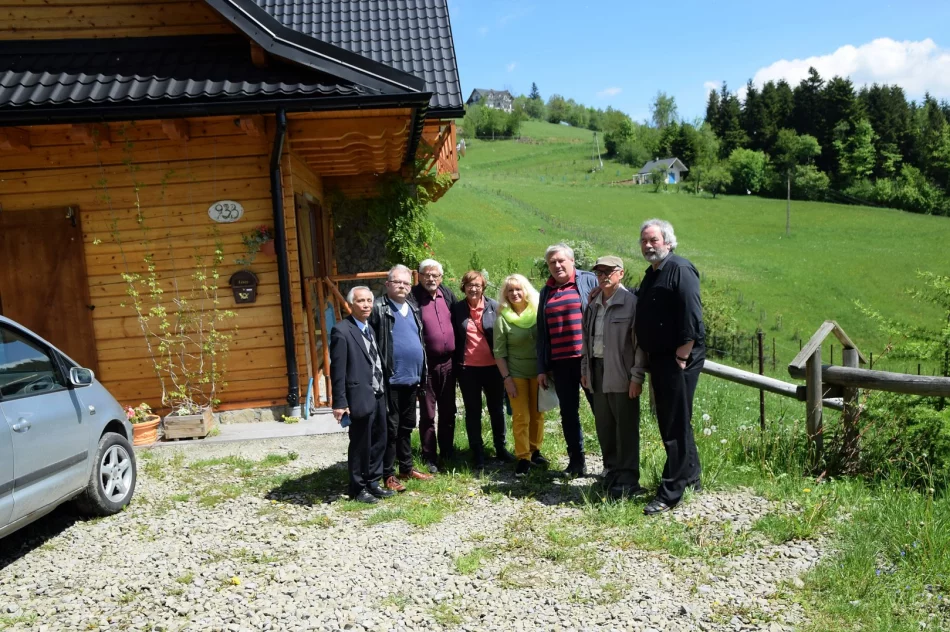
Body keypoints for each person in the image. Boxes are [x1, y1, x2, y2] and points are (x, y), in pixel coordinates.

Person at [635, 219, 705, 515]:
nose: (648, 245)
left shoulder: (680, 269)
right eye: (644, 241)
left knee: (673, 424)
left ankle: (670, 492)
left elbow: (692, 314)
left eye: (653, 240)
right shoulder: (652, 274)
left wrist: (682, 355)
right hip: (661, 357)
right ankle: (691, 476)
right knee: (672, 419)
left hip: (679, 357)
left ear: (668, 242)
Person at [579, 256, 647, 498]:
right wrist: (585, 371)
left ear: (621, 273)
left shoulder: (632, 303)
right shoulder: (592, 304)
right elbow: (586, 342)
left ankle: (628, 479)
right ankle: (611, 471)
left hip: (621, 371)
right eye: (599, 272)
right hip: (596, 371)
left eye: (609, 271)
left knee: (625, 427)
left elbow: (640, 345)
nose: (604, 276)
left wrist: (636, 377)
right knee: (604, 425)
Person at [536, 243, 598, 477]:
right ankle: (576, 462)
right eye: (552, 262)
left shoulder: (588, 281)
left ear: (572, 262)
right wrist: (542, 367)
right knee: (568, 413)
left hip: (588, 360)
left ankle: (612, 464)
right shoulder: (546, 292)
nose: (557, 265)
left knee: (599, 410)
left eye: (561, 260)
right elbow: (542, 333)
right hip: (560, 364)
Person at [369, 265, 432, 490]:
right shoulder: (378, 308)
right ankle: (388, 474)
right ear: (388, 284)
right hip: (390, 381)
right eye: (398, 282)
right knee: (391, 429)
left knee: (407, 426)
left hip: (412, 379)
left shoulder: (413, 309)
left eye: (406, 283)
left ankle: (406, 468)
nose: (402, 286)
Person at [330, 286, 394, 504]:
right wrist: (340, 402)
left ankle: (373, 481)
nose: (366, 305)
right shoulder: (342, 331)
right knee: (360, 443)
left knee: (379, 439)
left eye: (369, 300)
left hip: (378, 393)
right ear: (351, 304)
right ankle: (358, 488)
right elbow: (337, 370)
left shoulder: (370, 328)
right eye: (361, 301)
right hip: (359, 396)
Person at [451, 270, 515, 470]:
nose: (474, 289)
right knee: (472, 411)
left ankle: (500, 448)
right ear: (464, 287)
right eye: (470, 285)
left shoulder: (494, 307)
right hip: (467, 369)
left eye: (477, 285)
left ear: (483, 287)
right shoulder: (457, 309)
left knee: (496, 409)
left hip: (493, 369)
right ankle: (477, 451)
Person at [494, 274, 548, 478]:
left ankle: (535, 451)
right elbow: (499, 352)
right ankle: (523, 457)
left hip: (539, 372)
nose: (515, 293)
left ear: (526, 290)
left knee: (538, 414)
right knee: (520, 416)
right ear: (505, 294)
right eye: (510, 290)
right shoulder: (503, 317)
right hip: (515, 374)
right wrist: (506, 379)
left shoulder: (537, 313)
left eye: (518, 289)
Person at [411, 259, 459, 472]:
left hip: (448, 363)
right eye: (427, 275)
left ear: (441, 277)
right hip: (427, 365)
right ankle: (429, 455)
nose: (431, 279)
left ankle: (448, 451)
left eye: (435, 275)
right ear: (419, 276)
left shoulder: (447, 294)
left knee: (449, 410)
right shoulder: (413, 298)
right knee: (428, 413)